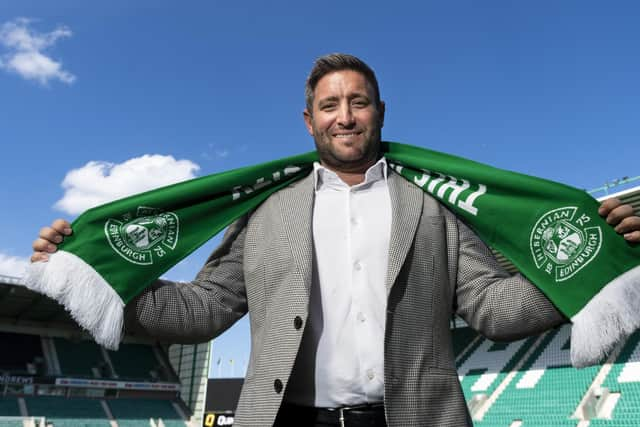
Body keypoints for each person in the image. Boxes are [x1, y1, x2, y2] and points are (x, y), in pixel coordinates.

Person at [32, 54, 640, 427]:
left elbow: (490, 308)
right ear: (309, 120)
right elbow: (206, 307)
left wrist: (586, 267)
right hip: (285, 420)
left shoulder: (436, 205)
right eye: (329, 105)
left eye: (358, 102)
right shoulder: (267, 209)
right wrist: (102, 276)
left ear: (380, 111)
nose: (344, 116)